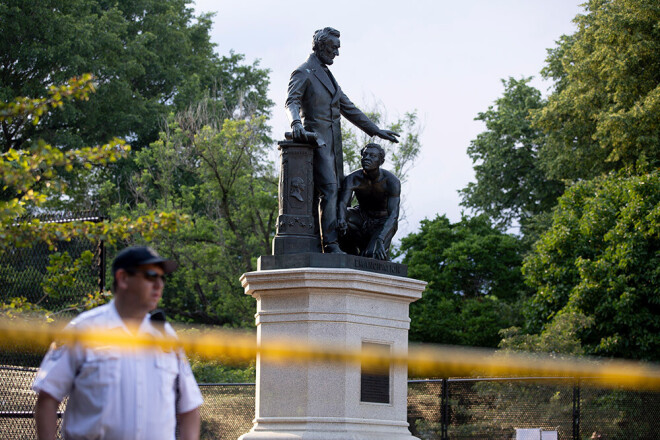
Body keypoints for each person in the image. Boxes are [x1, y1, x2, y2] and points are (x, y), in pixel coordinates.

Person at [33, 246, 203, 440]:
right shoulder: (83, 330)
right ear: (122, 278)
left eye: (162, 278)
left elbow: (189, 408)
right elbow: (47, 398)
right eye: (150, 276)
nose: (159, 284)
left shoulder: (166, 337)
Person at [285, 27, 400, 254]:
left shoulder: (327, 75)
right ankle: (330, 245)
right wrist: (296, 124)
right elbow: (291, 102)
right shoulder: (304, 72)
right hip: (316, 143)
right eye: (333, 47)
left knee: (335, 193)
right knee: (329, 191)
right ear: (320, 46)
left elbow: (349, 108)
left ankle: (337, 241)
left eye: (338, 48)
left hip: (334, 147)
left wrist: (375, 130)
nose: (336, 53)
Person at [338, 143, 400, 260]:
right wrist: (341, 220)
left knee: (371, 255)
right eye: (365, 155)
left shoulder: (391, 181)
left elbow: (393, 216)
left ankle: (376, 248)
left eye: (372, 156)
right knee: (340, 216)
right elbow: (342, 204)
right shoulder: (353, 179)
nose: (367, 158)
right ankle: (350, 253)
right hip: (362, 218)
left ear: (381, 161)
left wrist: (381, 238)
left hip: (382, 222)